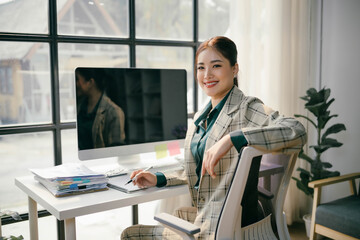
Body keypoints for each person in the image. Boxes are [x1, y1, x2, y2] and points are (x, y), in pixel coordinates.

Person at [121, 36, 307, 239]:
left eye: (216, 65)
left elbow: (297, 130)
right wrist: (159, 177)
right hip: (208, 218)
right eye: (201, 68)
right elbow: (202, 170)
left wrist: (233, 138)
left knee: (130, 234)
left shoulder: (247, 108)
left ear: (234, 69)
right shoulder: (202, 116)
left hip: (221, 227)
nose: (207, 75)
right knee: (173, 216)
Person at [76, 68, 125, 150]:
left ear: (90, 82)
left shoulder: (113, 112)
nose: (75, 84)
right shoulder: (80, 106)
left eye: (77, 79)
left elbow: (116, 149)